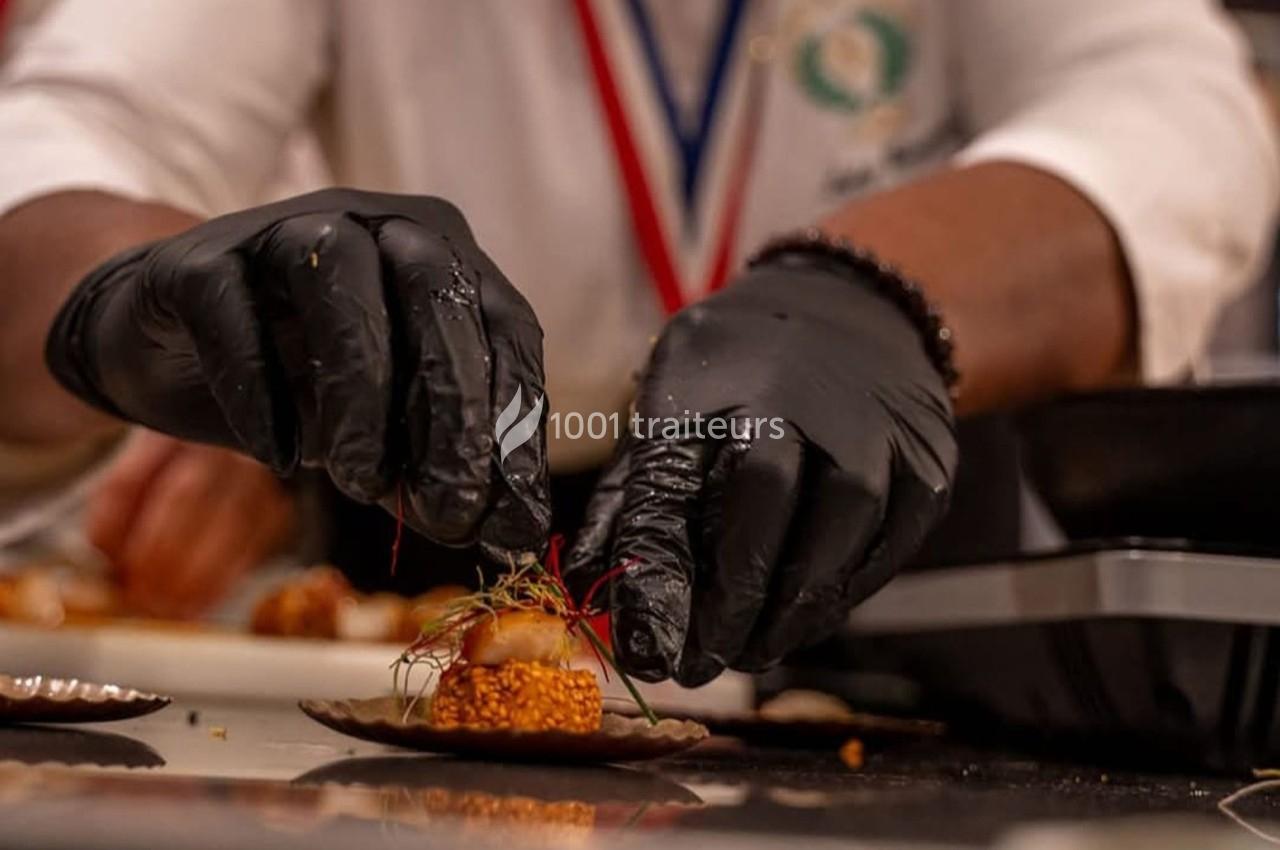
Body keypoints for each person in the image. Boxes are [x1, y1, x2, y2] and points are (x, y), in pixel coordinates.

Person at [0, 1, 1274, 685]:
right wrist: (122, 292)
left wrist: (868, 296)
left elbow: (1174, 109)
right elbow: (73, 122)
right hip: (438, 574)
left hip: (879, 576)